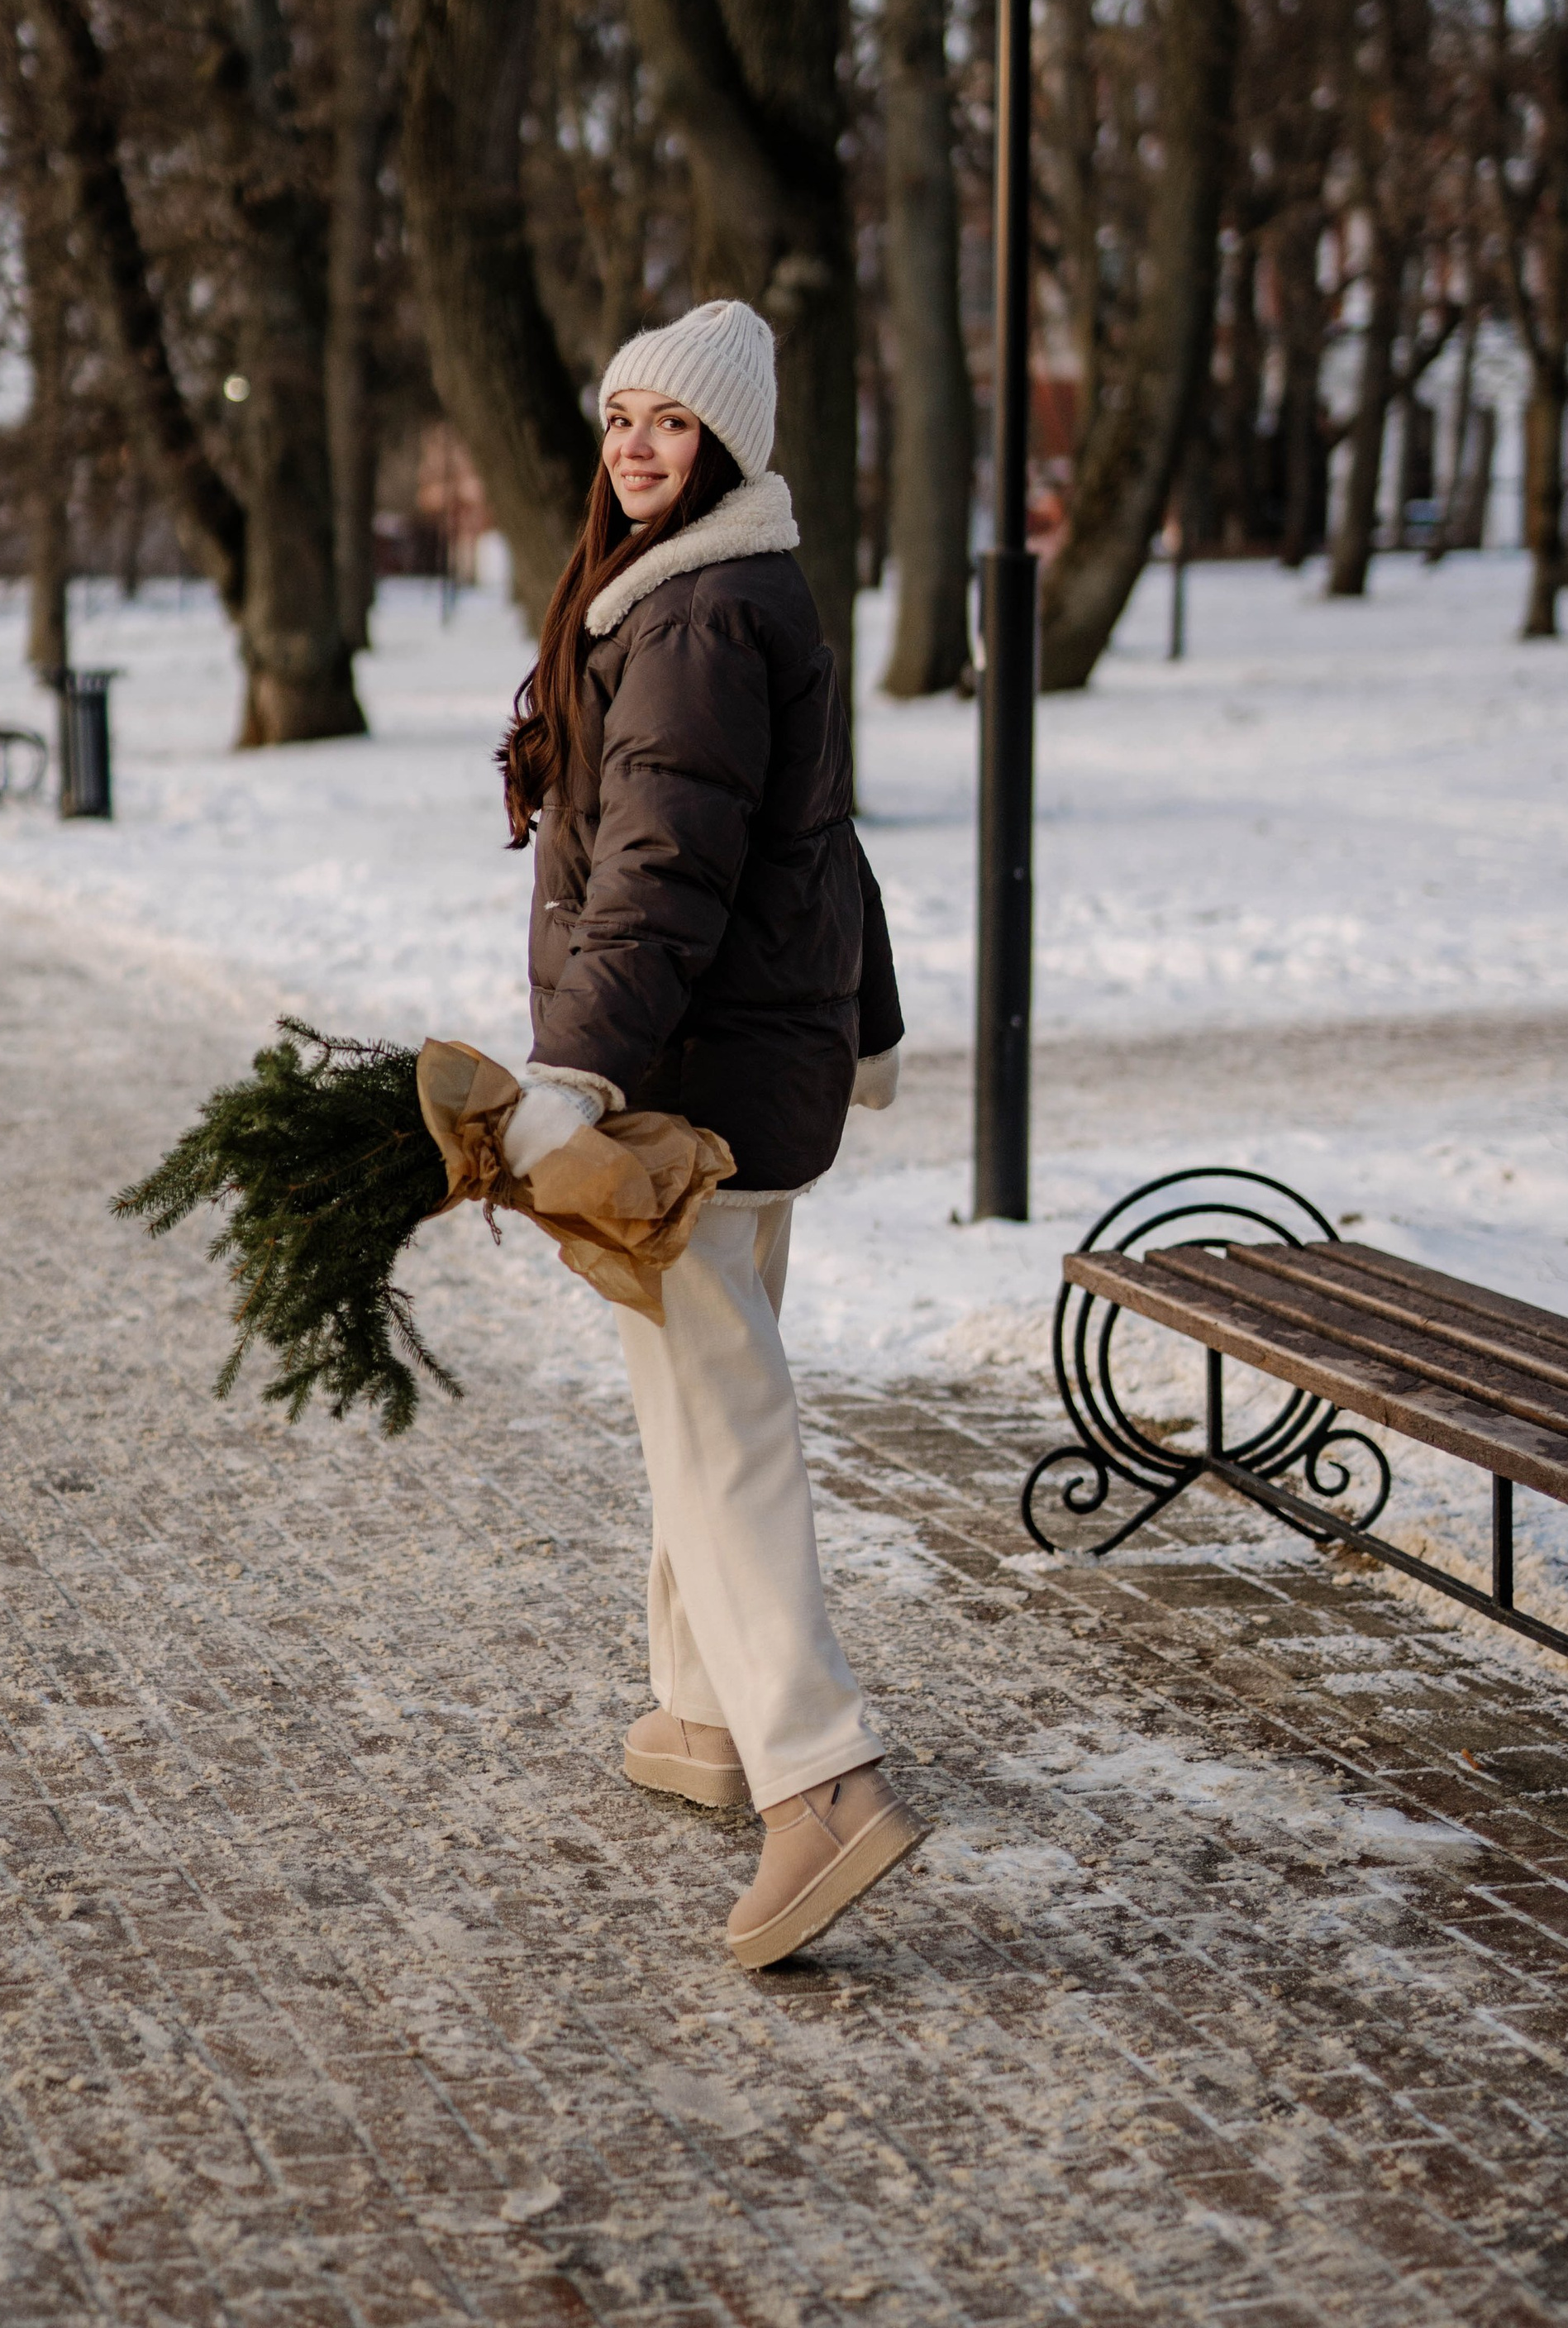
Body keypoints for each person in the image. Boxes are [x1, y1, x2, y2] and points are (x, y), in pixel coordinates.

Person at [495, 298, 927, 1970]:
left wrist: (576, 1079)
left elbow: (661, 871)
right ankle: (704, 1713)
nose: (636, 447)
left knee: (715, 1420)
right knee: (695, 1395)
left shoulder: (694, 614)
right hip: (742, 1067)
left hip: (687, 1081)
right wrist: (864, 1025)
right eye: (621, 419)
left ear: (727, 445)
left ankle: (820, 1777)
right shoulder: (722, 590)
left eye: (670, 423)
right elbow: (823, 839)